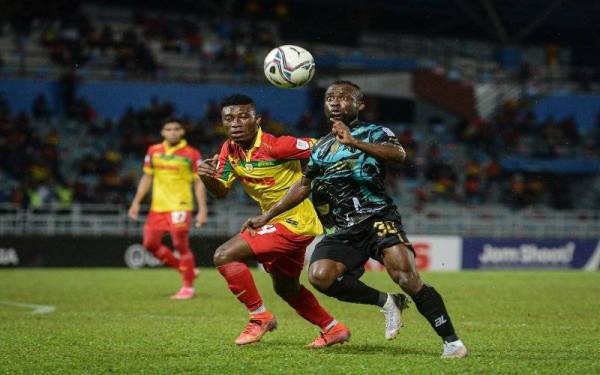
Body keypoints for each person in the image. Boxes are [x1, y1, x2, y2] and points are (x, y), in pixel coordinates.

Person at [243, 81, 468, 358]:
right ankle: (387, 302)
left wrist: (354, 142)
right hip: (340, 229)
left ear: (360, 105)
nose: (335, 102)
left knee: (405, 276)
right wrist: (267, 215)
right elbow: (304, 185)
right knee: (320, 276)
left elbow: (398, 154)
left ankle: (452, 343)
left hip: (376, 217)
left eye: (344, 97)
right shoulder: (321, 147)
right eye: (330, 97)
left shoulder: (374, 132)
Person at [198, 94, 355, 348]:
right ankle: (333, 328)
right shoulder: (229, 150)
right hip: (274, 222)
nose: (235, 123)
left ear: (257, 120)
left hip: (295, 222)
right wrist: (206, 177)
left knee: (224, 255)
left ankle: (259, 317)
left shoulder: (278, 146)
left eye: (242, 116)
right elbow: (220, 191)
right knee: (286, 288)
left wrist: (344, 136)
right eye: (229, 118)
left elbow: (324, 146)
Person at [128, 119, 207, 300]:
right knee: (150, 244)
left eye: (176, 129)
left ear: (182, 132)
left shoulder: (192, 153)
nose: (172, 132)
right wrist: (136, 202)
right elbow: (147, 178)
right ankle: (186, 269)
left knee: (180, 245)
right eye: (168, 129)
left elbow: (198, 182)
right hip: (158, 207)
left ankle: (188, 287)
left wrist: (202, 209)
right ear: (163, 132)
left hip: (180, 205)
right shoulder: (153, 151)